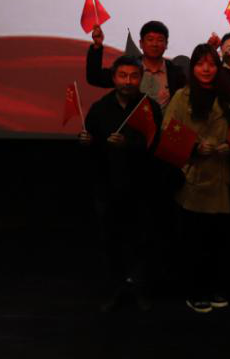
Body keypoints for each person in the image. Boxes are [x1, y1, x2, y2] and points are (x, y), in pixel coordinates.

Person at [161, 43, 230, 313]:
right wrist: (194, 147)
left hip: (223, 176)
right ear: (192, 68)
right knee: (194, 240)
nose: (206, 69)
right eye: (200, 64)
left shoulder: (229, 95)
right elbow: (167, 132)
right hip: (193, 176)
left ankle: (217, 286)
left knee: (221, 239)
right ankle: (195, 291)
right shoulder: (182, 96)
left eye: (211, 64)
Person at [79, 55, 161, 312]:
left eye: (133, 76)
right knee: (110, 241)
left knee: (142, 242)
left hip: (141, 188)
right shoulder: (100, 108)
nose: (128, 81)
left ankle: (140, 290)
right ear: (114, 78)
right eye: (123, 76)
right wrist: (85, 142)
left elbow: (157, 146)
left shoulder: (150, 107)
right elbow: (90, 146)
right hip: (108, 188)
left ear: (141, 78)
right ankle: (115, 289)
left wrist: (130, 145)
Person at [87, 20, 185, 107]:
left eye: (160, 40)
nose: (155, 44)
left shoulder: (176, 73)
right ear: (141, 43)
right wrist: (97, 46)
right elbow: (94, 78)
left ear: (166, 44)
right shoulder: (128, 67)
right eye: (150, 39)